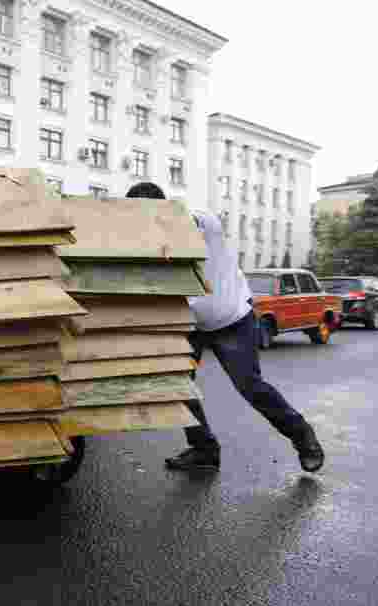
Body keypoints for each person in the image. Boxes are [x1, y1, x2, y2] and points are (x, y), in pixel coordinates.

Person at [124, 181, 325, 473]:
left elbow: (193, 221)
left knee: (250, 386)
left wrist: (161, 218)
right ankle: (204, 449)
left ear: (164, 207)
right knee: (179, 387)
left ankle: (303, 438)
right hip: (192, 325)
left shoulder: (202, 223)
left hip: (232, 320)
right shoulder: (147, 245)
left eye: (146, 213)